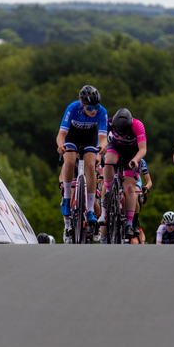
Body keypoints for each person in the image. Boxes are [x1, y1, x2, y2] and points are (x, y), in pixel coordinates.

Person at [56, 85, 108, 237]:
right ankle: (66, 198)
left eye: (96, 107)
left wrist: (102, 146)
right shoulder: (72, 108)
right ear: (82, 105)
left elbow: (103, 138)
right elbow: (61, 134)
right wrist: (60, 145)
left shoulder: (101, 111)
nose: (94, 111)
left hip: (90, 136)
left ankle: (90, 210)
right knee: (70, 161)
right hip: (72, 135)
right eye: (90, 107)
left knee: (91, 166)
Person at [98, 108, 147, 239]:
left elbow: (143, 149)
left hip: (133, 151)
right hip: (116, 147)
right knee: (108, 162)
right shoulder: (109, 123)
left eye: (124, 134)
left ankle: (129, 224)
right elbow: (101, 141)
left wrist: (135, 160)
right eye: (119, 134)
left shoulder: (138, 125)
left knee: (130, 187)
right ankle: (108, 193)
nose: (122, 136)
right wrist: (99, 154)